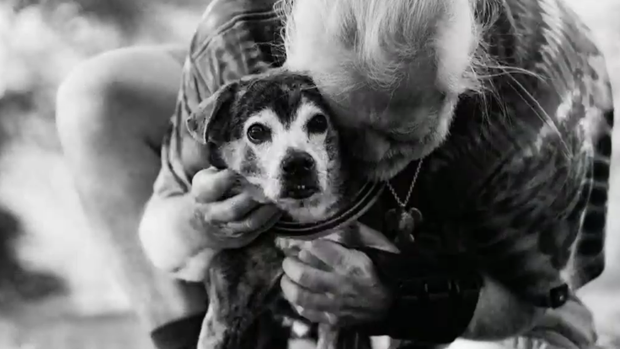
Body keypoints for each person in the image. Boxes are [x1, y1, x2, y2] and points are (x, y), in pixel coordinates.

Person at [56, 0, 614, 348]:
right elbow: (165, 232)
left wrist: (399, 298)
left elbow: (524, 298)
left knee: (546, 326)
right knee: (98, 97)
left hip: (477, 199)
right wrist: (203, 222)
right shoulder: (237, 36)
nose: (366, 156)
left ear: (461, 87)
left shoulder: (533, 108)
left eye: (397, 134)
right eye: (343, 128)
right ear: (292, 57)